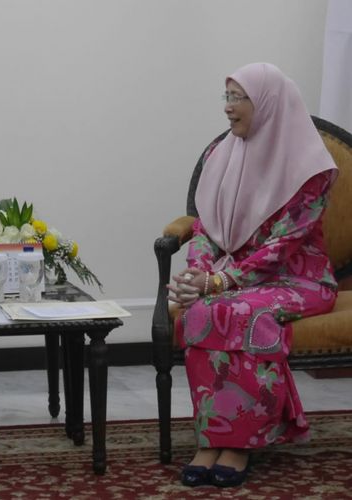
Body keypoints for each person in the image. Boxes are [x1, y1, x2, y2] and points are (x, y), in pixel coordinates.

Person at [167, 62, 338, 488]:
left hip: (298, 282)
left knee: (240, 312)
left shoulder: (311, 169)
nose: (228, 108)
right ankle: (213, 437)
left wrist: (221, 282)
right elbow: (205, 226)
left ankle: (242, 441)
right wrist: (197, 276)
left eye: (238, 97)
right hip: (233, 279)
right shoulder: (219, 155)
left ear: (269, 104)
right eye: (226, 97)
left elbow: (283, 245)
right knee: (200, 311)